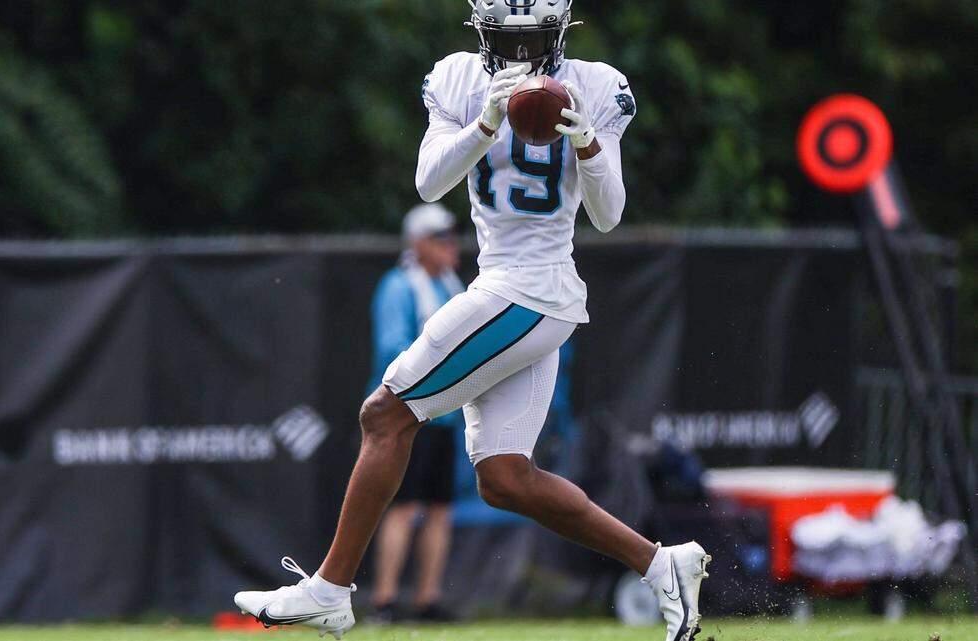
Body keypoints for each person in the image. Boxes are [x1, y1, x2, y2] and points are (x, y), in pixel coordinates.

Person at [235, 3, 711, 641]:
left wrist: (588, 142)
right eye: (505, 40)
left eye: (534, 40)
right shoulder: (458, 79)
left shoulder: (595, 85)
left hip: (533, 287)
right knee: (505, 478)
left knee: (384, 415)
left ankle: (330, 590)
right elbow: (430, 185)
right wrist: (484, 124)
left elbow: (608, 214)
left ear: (561, 34)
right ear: (483, 34)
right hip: (511, 288)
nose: (519, 56)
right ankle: (660, 563)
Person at [368, 204, 463, 623]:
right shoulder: (398, 286)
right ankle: (385, 601)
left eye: (450, 237)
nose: (450, 246)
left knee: (440, 508)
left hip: (443, 416)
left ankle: (429, 599)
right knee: (403, 508)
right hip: (407, 415)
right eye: (439, 238)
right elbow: (394, 348)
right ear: (418, 244)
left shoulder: (451, 285)